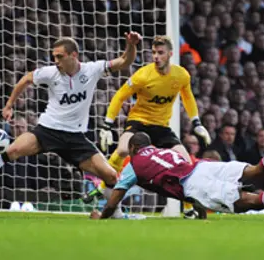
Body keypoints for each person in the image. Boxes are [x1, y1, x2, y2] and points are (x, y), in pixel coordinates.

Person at [0, 34, 140, 217]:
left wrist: (131, 45)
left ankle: (117, 215)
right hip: (48, 130)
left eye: (60, 56)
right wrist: (9, 104)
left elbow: (124, 61)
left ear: (74, 55)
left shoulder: (92, 69)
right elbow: (26, 79)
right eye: (54, 57)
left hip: (75, 137)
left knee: (111, 175)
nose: (56, 61)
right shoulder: (50, 72)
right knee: (12, 150)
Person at [87, 36, 211, 218]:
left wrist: (196, 122)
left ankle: (187, 209)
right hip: (139, 122)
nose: (156, 56)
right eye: (153, 52)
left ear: (170, 54)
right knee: (122, 149)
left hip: (161, 127)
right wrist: (107, 124)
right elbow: (120, 95)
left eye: (160, 53)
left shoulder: (181, 75)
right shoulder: (143, 75)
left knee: (185, 160)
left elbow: (188, 97)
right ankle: (103, 186)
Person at [90, 132, 264, 219]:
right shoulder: (163, 151)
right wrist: (199, 211)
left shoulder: (133, 163)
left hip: (193, 182)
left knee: (246, 202)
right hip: (201, 166)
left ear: (133, 149)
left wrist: (102, 218)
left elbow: (113, 201)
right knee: (255, 171)